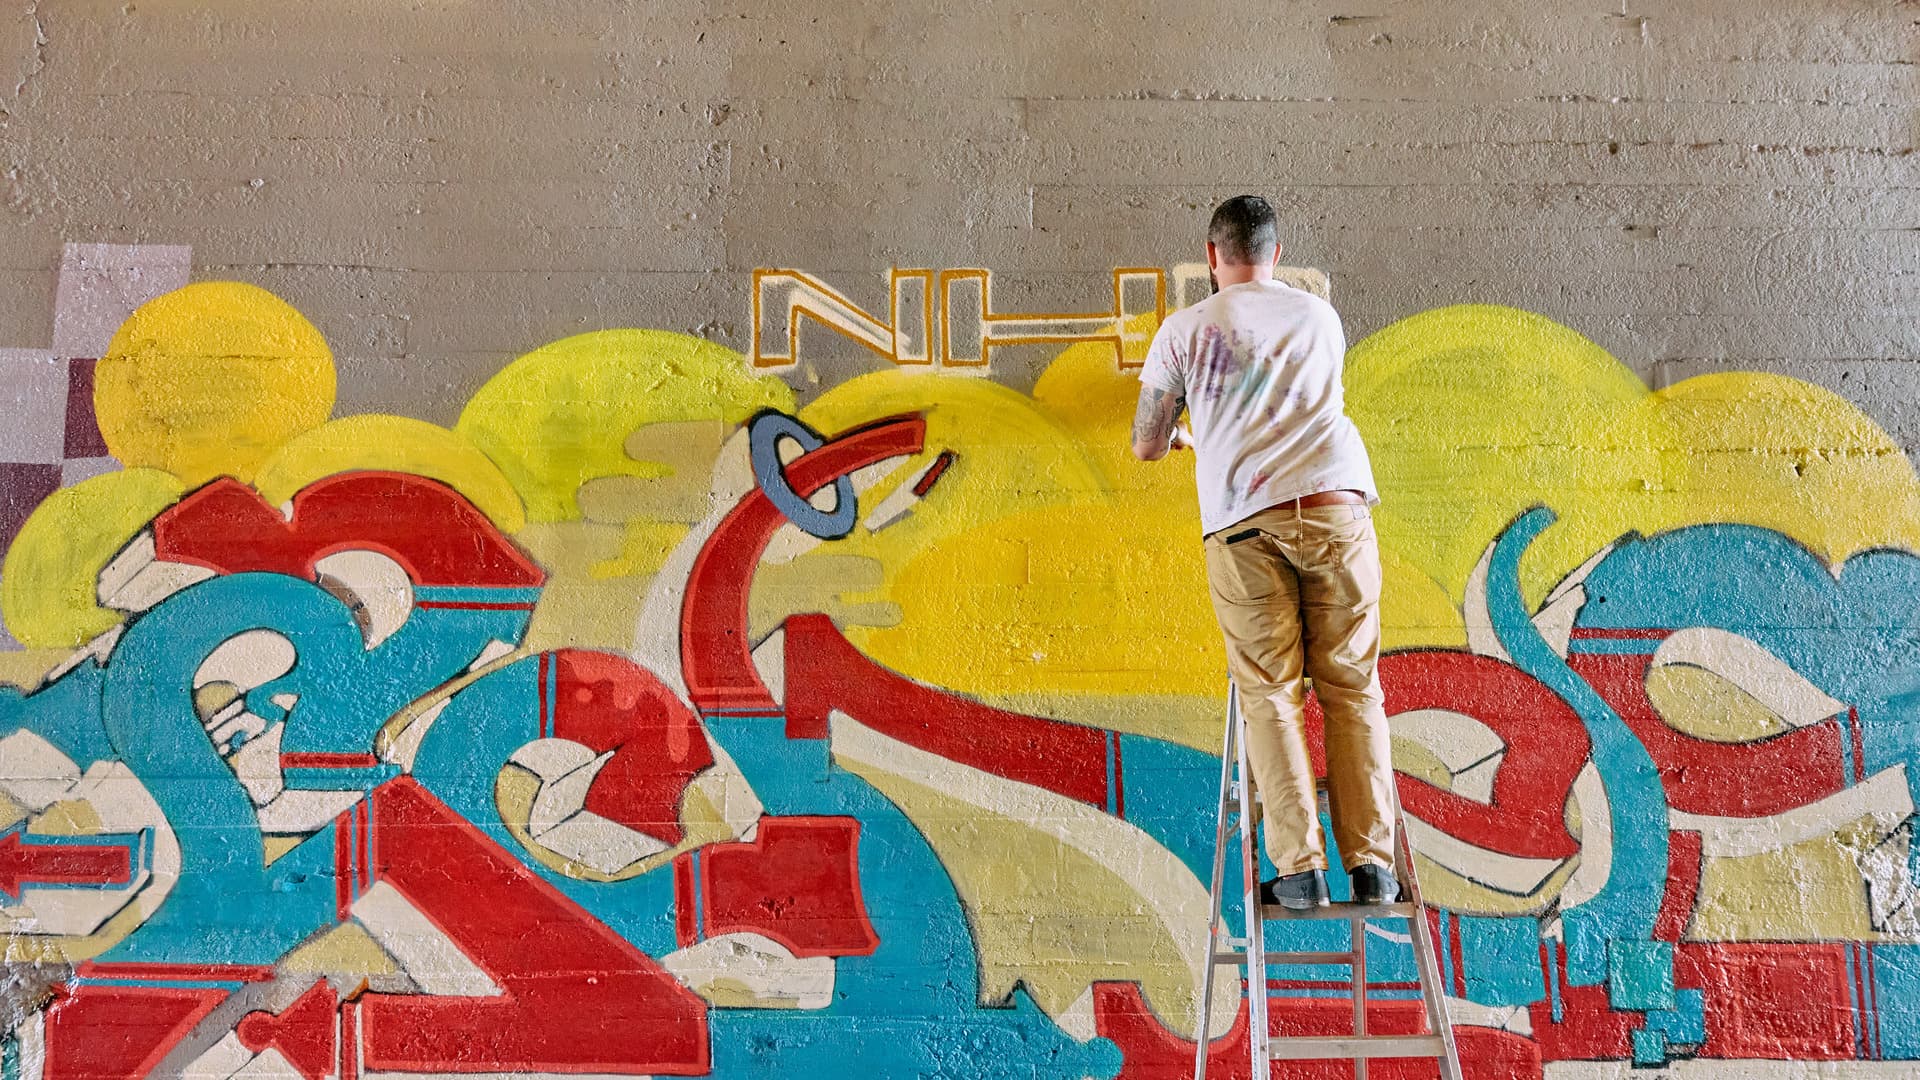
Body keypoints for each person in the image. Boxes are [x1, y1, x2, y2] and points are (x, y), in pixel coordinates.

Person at [1129, 194, 1398, 910]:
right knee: (1352, 687)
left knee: (1272, 695)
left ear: (1212, 257)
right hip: (1338, 510)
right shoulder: (1319, 316)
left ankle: (1300, 871)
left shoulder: (1185, 330)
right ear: (1276, 255)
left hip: (1247, 524)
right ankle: (1373, 867)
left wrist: (1191, 436)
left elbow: (1147, 443)